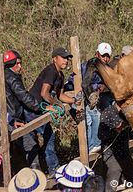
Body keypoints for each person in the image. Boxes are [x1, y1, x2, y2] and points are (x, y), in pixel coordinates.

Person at [82, 43, 133, 191]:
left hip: (122, 146)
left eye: (107, 55)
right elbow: (86, 84)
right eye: (103, 55)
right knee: (115, 170)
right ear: (97, 54)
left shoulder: (113, 68)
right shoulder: (108, 112)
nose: (106, 58)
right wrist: (118, 129)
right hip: (110, 148)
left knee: (129, 170)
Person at [24, 47, 79, 178]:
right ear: (55, 58)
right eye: (63, 57)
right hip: (33, 109)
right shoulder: (51, 71)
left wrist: (73, 100)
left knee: (43, 139)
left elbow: (60, 95)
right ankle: (53, 169)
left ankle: (46, 169)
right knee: (45, 138)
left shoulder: (60, 74)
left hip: (39, 109)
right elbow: (44, 94)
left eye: (67, 58)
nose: (66, 60)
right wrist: (54, 106)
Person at [3, 50, 54, 169]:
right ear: (11, 64)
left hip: (11, 117)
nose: (20, 66)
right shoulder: (11, 78)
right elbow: (24, 96)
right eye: (18, 63)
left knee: (18, 148)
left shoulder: (6, 76)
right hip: (12, 118)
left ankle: (22, 175)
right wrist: (41, 106)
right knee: (29, 145)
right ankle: (35, 177)